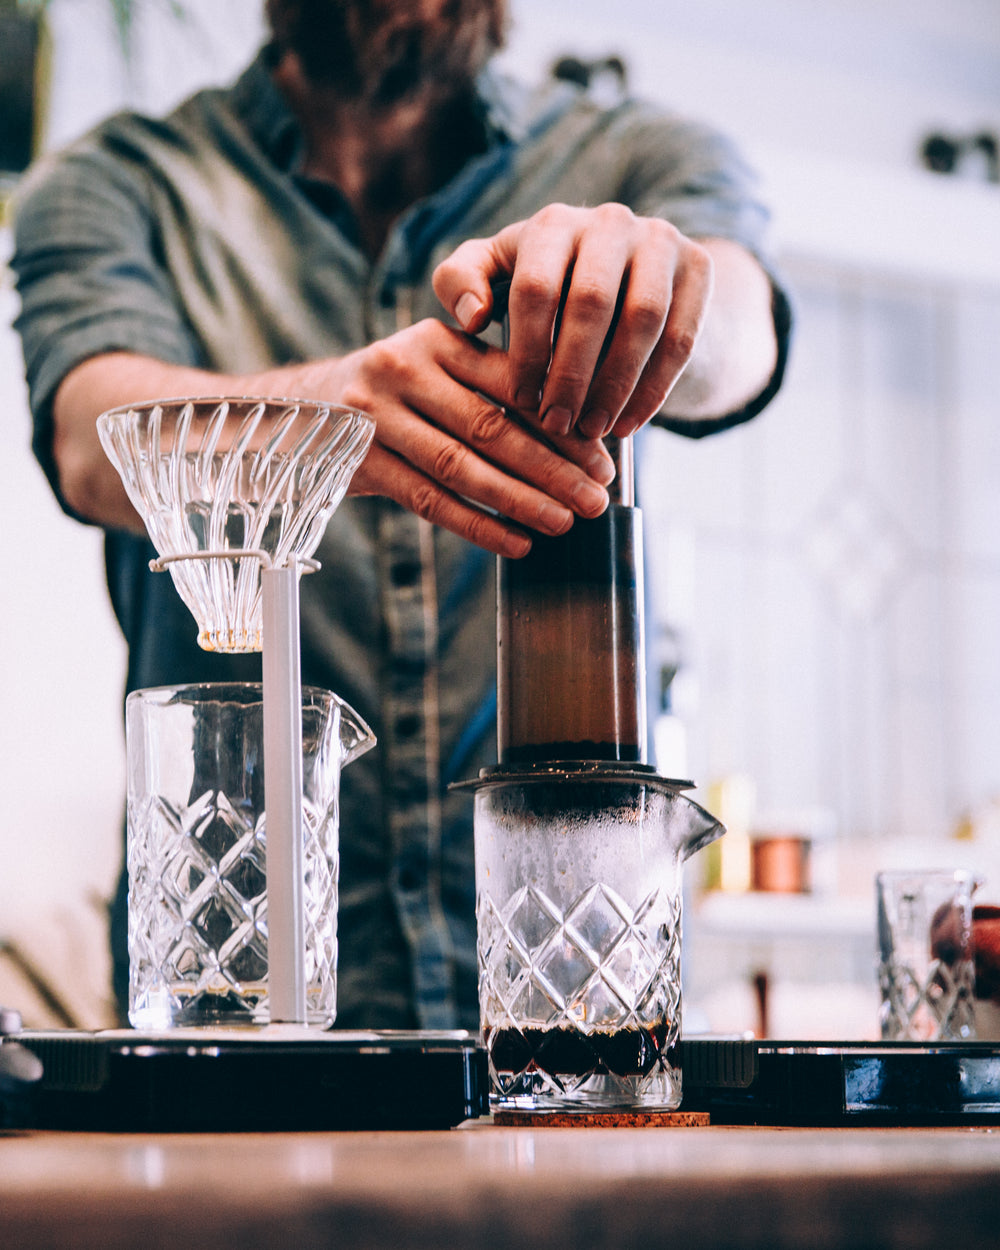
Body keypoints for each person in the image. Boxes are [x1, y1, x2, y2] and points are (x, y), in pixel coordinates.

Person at [11, 0, 791, 1030]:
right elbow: (92, 438)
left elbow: (739, 334)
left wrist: (663, 303)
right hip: (232, 1019)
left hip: (564, 1014)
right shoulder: (117, 184)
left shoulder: (635, 157)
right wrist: (328, 415)